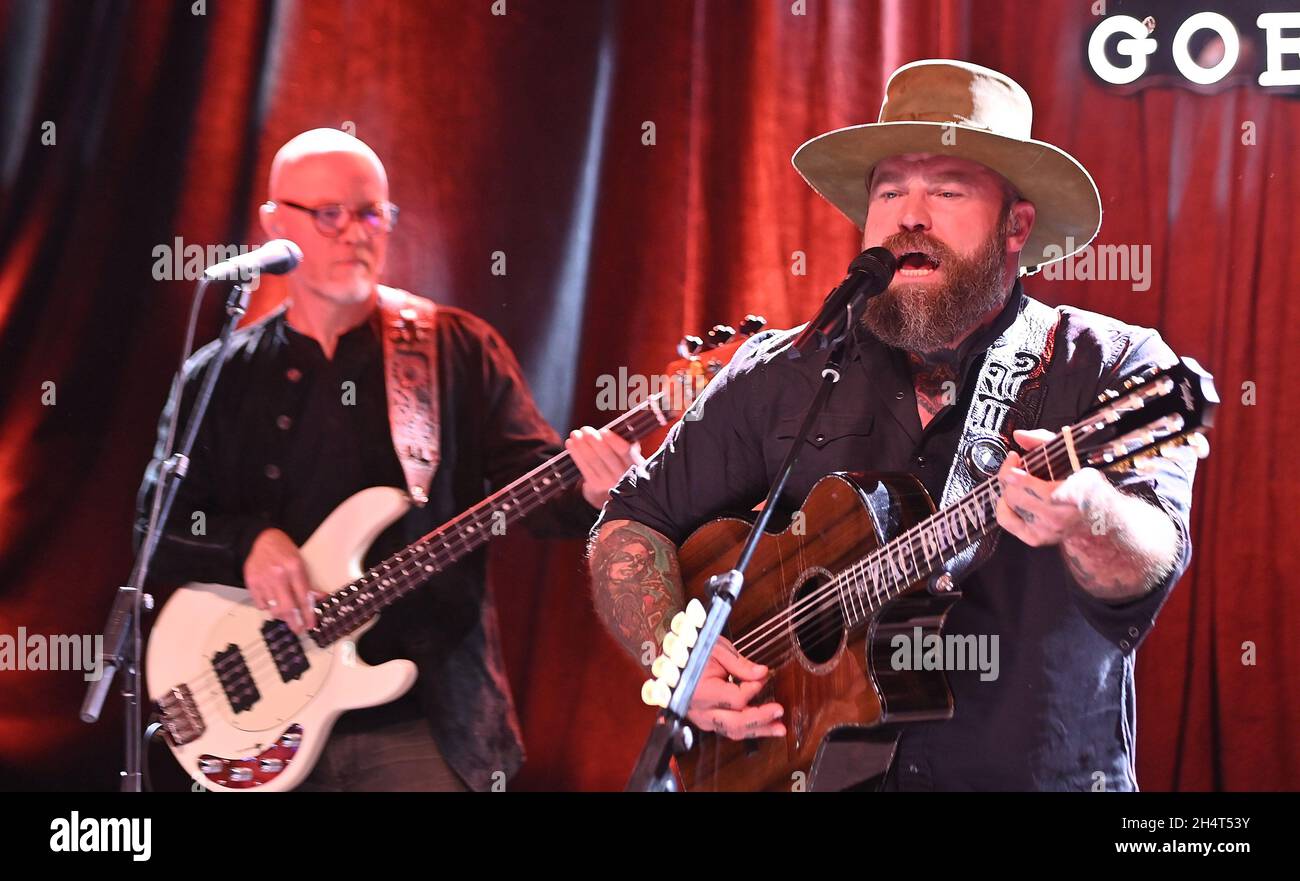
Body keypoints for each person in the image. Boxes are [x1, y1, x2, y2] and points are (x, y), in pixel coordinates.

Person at [588, 60, 1197, 791]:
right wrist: (672, 650)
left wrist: (1089, 513)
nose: (911, 213)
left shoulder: (1109, 364)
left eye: (946, 189)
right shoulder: (783, 369)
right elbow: (630, 519)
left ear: (1017, 225)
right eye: (888, 190)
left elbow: (1150, 563)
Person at [137, 128, 637, 791]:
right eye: (329, 214)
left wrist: (597, 489)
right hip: (263, 721)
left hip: (423, 716)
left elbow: (537, 488)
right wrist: (247, 544)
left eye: (372, 212)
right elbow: (155, 523)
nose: (355, 232)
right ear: (273, 223)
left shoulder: (452, 349)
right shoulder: (218, 376)